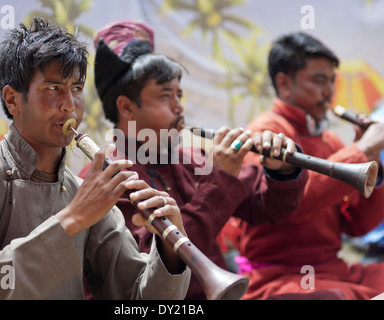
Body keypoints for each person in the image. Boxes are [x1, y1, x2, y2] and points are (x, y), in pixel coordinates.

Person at [0, 18, 191, 300]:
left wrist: (169, 250)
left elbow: (134, 300)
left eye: (77, 88)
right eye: (53, 88)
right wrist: (73, 218)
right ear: (13, 100)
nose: (69, 104)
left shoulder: (83, 193)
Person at [78, 20, 310, 300]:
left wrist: (282, 170)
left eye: (179, 94)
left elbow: (266, 208)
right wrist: (221, 179)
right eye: (165, 96)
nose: (179, 107)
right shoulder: (105, 176)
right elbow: (152, 267)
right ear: (126, 107)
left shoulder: (188, 157)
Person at [232, 31, 384, 300]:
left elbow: (358, 226)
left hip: (334, 270)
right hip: (280, 277)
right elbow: (298, 205)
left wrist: (372, 165)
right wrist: (362, 149)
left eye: (331, 82)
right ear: (284, 84)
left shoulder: (331, 140)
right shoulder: (265, 133)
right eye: (319, 81)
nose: (329, 92)